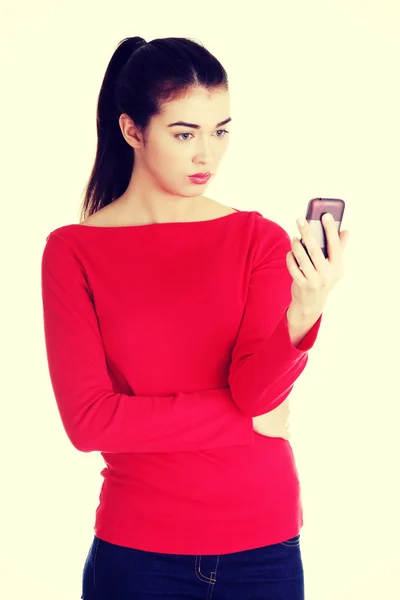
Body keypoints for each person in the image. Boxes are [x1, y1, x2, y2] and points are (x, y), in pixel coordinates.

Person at [40, 36, 349, 600]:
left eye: (220, 130)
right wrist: (240, 422)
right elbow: (88, 422)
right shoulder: (73, 251)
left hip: (266, 546)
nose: (208, 155)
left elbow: (258, 395)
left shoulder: (257, 239)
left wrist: (306, 311)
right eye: (185, 134)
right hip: (138, 554)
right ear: (132, 130)